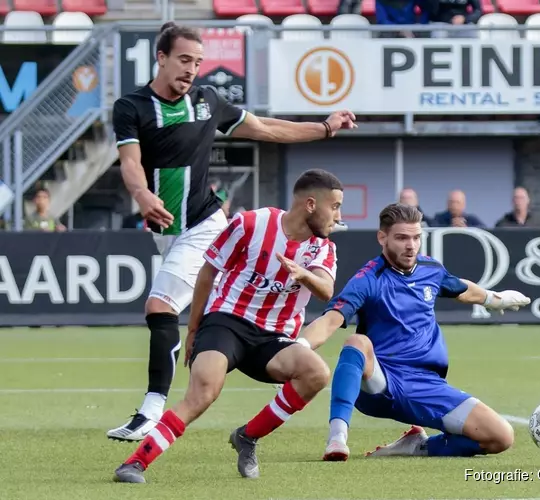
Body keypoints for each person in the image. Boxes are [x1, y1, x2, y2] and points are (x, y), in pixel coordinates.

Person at [106, 21, 356, 442]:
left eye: (198, 62)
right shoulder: (132, 107)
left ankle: (151, 412)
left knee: (160, 306)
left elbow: (267, 129)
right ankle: (266, 342)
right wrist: (142, 195)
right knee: (179, 307)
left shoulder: (208, 101)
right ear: (161, 57)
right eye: (184, 60)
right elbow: (131, 162)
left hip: (205, 224)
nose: (191, 69)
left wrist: (325, 128)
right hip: (166, 229)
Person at [113, 169, 344, 483]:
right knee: (204, 392)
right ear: (311, 204)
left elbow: (327, 290)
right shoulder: (250, 223)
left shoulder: (323, 247)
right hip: (227, 322)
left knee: (317, 373)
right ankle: (135, 463)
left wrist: (303, 275)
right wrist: (194, 330)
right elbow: (208, 272)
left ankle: (247, 437)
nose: (339, 216)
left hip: (273, 338)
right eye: (335, 206)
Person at [293, 203, 530, 462]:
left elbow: (461, 289)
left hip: (428, 385)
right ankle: (337, 437)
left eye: (416, 237)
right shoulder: (368, 279)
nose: (411, 245)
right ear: (382, 238)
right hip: (384, 384)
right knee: (357, 342)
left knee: (501, 437)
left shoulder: (431, 269)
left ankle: (419, 446)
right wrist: (299, 349)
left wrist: (495, 300)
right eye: (402, 238)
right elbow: (329, 321)